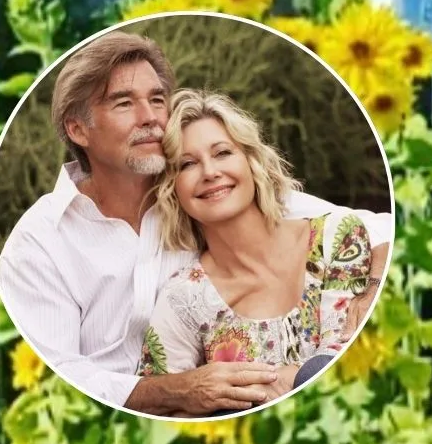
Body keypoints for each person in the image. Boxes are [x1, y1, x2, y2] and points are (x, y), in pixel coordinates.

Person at [0, 30, 391, 415]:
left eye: (156, 99)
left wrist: (374, 289)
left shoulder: (210, 191)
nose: (150, 117)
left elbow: (376, 229)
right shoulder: (39, 243)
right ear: (77, 128)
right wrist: (173, 392)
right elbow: (59, 376)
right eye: (123, 104)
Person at [137, 90, 374, 395]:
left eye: (222, 153)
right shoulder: (184, 299)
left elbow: (341, 363)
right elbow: (156, 400)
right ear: (172, 189)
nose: (210, 172)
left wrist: (261, 386)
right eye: (187, 164)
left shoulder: (337, 238)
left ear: (252, 161)